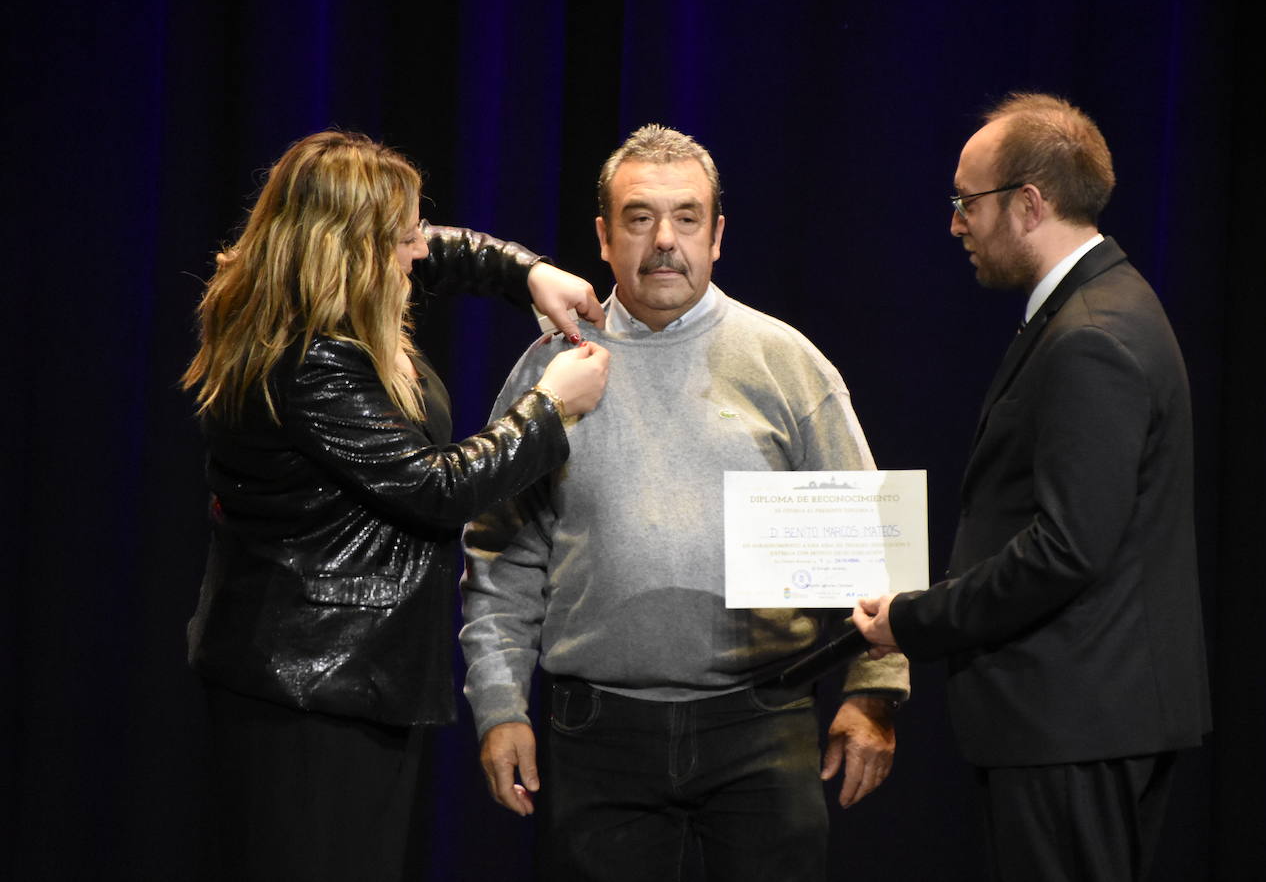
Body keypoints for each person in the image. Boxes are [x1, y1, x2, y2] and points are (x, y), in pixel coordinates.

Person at [459, 124, 909, 882]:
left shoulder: (787, 363)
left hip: (763, 721)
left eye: (687, 217)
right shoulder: (551, 371)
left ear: (718, 234)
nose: (664, 239)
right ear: (603, 236)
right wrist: (501, 705)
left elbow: (872, 547)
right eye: (639, 218)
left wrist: (875, 691)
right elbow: (502, 562)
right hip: (598, 729)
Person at [181, 130, 610, 882]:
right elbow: (436, 488)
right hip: (311, 688)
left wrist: (526, 271)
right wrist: (549, 408)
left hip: (329, 677)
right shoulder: (312, 360)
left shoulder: (291, 300)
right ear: (347, 250)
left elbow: (436, 250)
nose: (419, 252)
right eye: (403, 238)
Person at [852, 93, 1211, 881]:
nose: (955, 223)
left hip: (1076, 723)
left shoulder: (1092, 336)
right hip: (1076, 720)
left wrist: (913, 618)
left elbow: (1066, 549)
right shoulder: (1096, 310)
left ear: (1028, 203)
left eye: (965, 202)